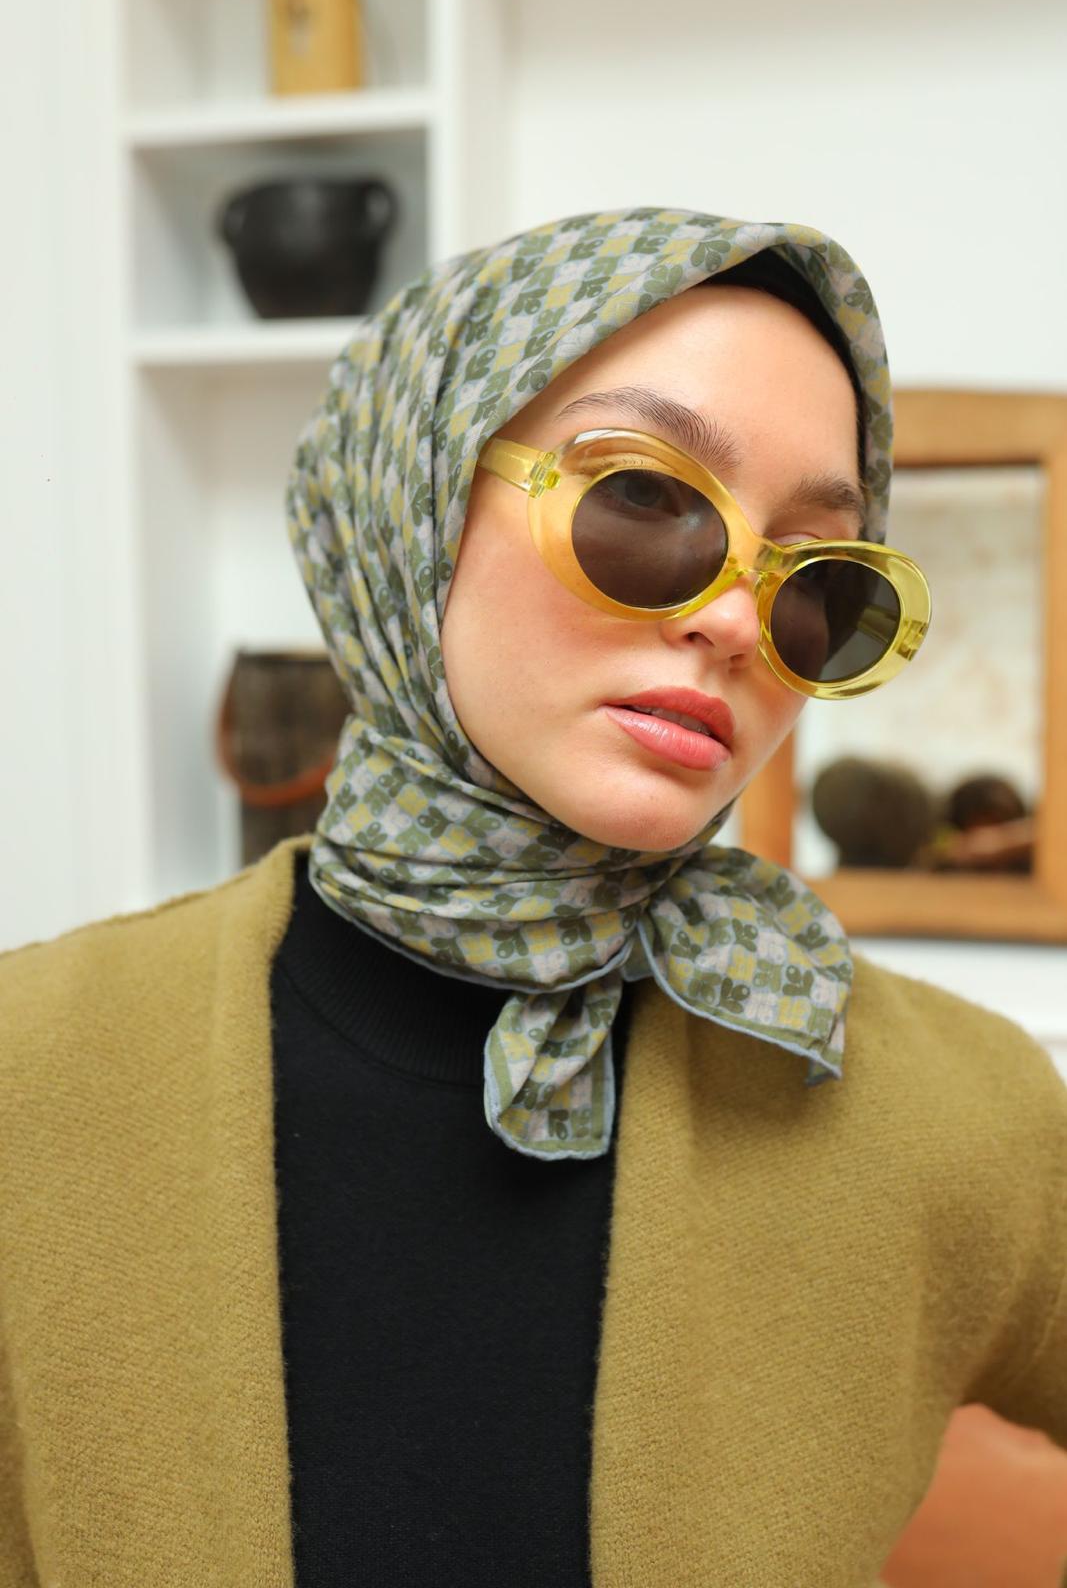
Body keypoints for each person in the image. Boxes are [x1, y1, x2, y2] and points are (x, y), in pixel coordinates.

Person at [0, 207, 1063, 1588]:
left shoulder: (948, 1108)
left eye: (821, 580)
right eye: (645, 499)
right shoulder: (33, 1072)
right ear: (416, 503)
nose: (734, 624)